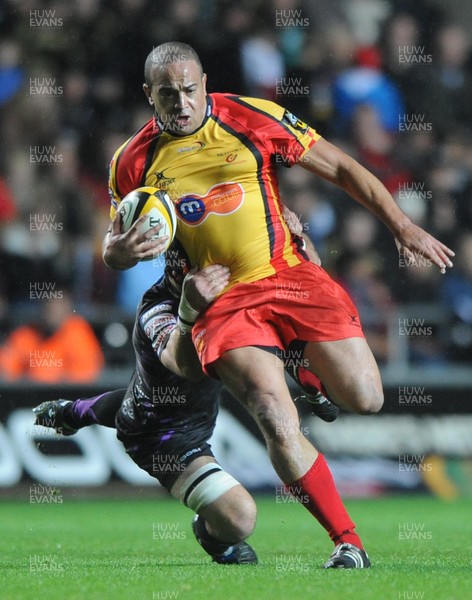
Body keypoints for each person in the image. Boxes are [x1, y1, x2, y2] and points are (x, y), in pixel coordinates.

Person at [101, 42, 455, 568]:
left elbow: (341, 167)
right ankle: (348, 542)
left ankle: (299, 362)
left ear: (205, 82)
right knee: (272, 411)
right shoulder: (133, 160)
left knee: (365, 398)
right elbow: (114, 245)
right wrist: (119, 252)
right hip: (220, 300)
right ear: (149, 95)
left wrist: (402, 226)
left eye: (191, 89)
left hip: (290, 276)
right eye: (168, 93)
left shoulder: (250, 116)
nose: (182, 102)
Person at [33, 246, 337, 566]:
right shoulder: (158, 305)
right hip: (162, 439)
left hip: (174, 411)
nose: (214, 277)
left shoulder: (235, 297)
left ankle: (74, 411)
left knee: (147, 399)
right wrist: (190, 311)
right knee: (241, 518)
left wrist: (312, 386)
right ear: (178, 271)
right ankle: (213, 536)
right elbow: (183, 363)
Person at [0, 291, 104, 383]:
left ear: (67, 311)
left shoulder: (78, 334)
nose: (52, 313)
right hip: (30, 398)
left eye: (58, 309)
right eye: (49, 308)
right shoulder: (28, 334)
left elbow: (85, 375)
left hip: (66, 399)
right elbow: (6, 368)